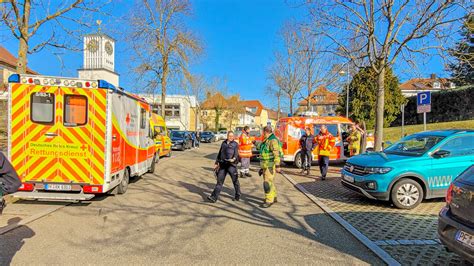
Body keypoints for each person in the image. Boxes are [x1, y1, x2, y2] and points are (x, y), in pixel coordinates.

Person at [207, 131, 241, 203]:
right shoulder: (223, 143)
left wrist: (233, 159)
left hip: (231, 165)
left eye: (232, 136)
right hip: (223, 165)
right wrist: (216, 162)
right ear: (227, 136)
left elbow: (236, 154)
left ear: (234, 137)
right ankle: (214, 197)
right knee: (219, 182)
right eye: (229, 136)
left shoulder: (235, 144)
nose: (231, 137)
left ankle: (237, 194)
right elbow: (220, 153)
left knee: (235, 181)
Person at [257, 126, 282, 208]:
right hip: (266, 165)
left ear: (265, 132)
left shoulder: (273, 140)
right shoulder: (267, 139)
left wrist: (278, 165)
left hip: (270, 165)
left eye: (263, 132)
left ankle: (269, 200)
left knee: (267, 183)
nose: (262, 134)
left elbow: (276, 153)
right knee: (270, 182)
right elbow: (262, 148)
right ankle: (273, 197)